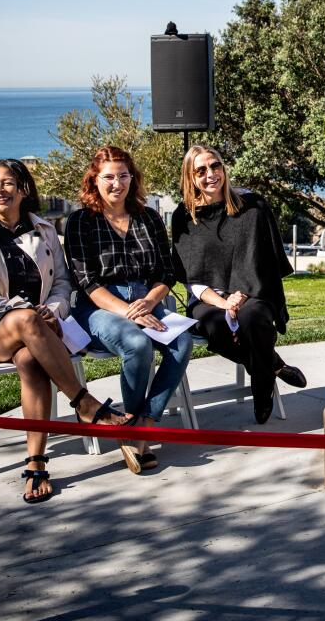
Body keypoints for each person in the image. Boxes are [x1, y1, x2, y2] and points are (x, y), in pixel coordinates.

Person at [0, 159, 127, 504]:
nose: (0, 190)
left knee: (29, 358)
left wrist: (53, 310)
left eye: (9, 183)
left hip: (38, 327)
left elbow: (62, 283)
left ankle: (36, 463)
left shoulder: (44, 231)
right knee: (26, 323)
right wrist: (26, 313)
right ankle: (84, 404)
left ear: (24, 189)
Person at [65, 146, 194, 474]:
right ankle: (133, 430)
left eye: (123, 175)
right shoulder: (81, 221)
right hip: (99, 307)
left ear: (132, 178)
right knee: (136, 345)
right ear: (94, 180)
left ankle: (142, 426)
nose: (116, 183)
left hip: (146, 300)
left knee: (182, 343)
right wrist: (129, 312)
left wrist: (150, 302)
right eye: (108, 177)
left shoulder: (148, 216)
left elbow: (166, 273)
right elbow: (87, 282)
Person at [171, 145, 306, 424]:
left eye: (216, 166)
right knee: (213, 325)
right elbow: (191, 278)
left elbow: (262, 263)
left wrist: (240, 296)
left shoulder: (252, 207)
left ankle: (261, 391)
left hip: (254, 292)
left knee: (253, 317)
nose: (211, 174)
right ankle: (273, 366)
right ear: (190, 177)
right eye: (201, 170)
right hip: (210, 299)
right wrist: (223, 303)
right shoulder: (184, 216)